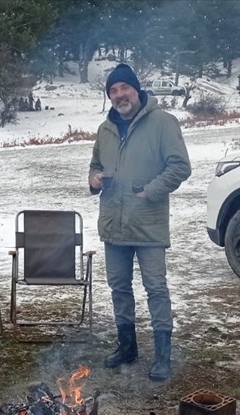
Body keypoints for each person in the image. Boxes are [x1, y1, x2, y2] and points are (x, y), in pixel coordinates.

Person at [88, 63, 191, 382]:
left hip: (147, 224)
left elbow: (180, 167)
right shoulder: (105, 129)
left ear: (137, 89)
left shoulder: (163, 122)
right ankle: (127, 347)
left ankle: (163, 356)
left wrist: (150, 192)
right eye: (113, 91)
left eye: (124, 88)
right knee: (119, 288)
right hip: (114, 226)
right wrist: (93, 180)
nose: (119, 95)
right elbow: (95, 166)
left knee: (156, 289)